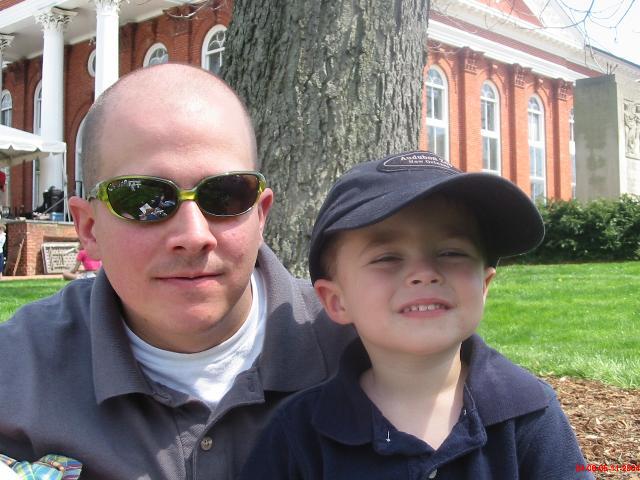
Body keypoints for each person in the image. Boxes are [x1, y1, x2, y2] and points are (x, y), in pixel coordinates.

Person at [0, 64, 355, 479]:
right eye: (145, 199)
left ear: (260, 215)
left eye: (225, 195)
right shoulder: (16, 372)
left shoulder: (364, 346)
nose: (193, 235)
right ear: (89, 228)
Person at [240, 150, 594, 479]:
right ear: (336, 301)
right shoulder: (299, 434)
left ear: (484, 286)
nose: (424, 273)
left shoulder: (528, 413)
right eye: (387, 257)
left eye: (452, 252)